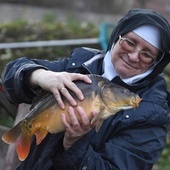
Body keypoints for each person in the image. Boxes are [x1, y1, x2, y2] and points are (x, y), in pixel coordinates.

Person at [1, 8, 170, 170]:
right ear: (117, 38)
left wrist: (73, 143)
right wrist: (40, 76)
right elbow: (10, 74)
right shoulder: (79, 63)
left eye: (147, 54)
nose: (134, 56)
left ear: (155, 63)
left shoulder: (153, 114)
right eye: (130, 43)